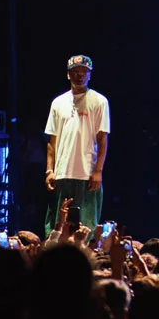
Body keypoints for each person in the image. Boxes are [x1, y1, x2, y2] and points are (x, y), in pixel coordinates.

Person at [44, 55, 110, 235]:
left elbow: (102, 138)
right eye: (75, 72)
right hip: (62, 173)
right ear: (68, 75)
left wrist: (98, 171)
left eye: (84, 72)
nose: (79, 76)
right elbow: (52, 141)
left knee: (87, 225)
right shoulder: (58, 102)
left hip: (86, 173)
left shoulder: (99, 101)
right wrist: (50, 170)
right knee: (57, 224)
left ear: (89, 75)